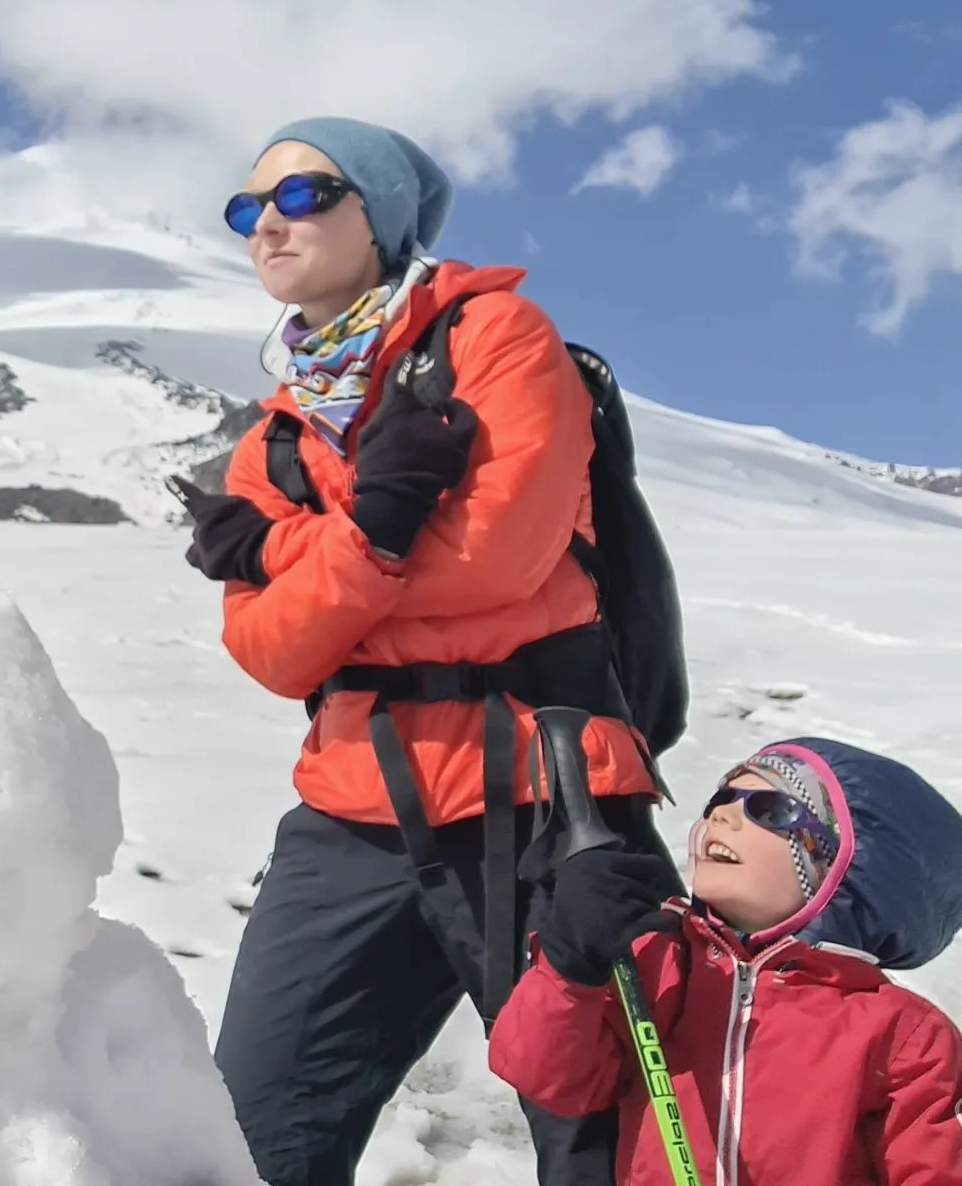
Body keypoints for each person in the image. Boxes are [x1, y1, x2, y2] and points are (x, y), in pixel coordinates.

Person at [173, 116, 677, 1186]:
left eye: (301, 194)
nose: (265, 221)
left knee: (607, 1139)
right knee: (251, 1134)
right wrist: (379, 529)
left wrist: (292, 553)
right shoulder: (275, 431)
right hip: (348, 814)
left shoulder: (495, 338)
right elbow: (266, 646)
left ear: (379, 210)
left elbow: (500, 555)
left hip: (547, 791)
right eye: (245, 206)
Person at [490, 738, 962, 1184]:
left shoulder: (901, 1034)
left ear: (847, 872)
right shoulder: (659, 967)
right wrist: (571, 964)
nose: (724, 817)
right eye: (722, 799)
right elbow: (548, 1077)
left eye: (770, 809)